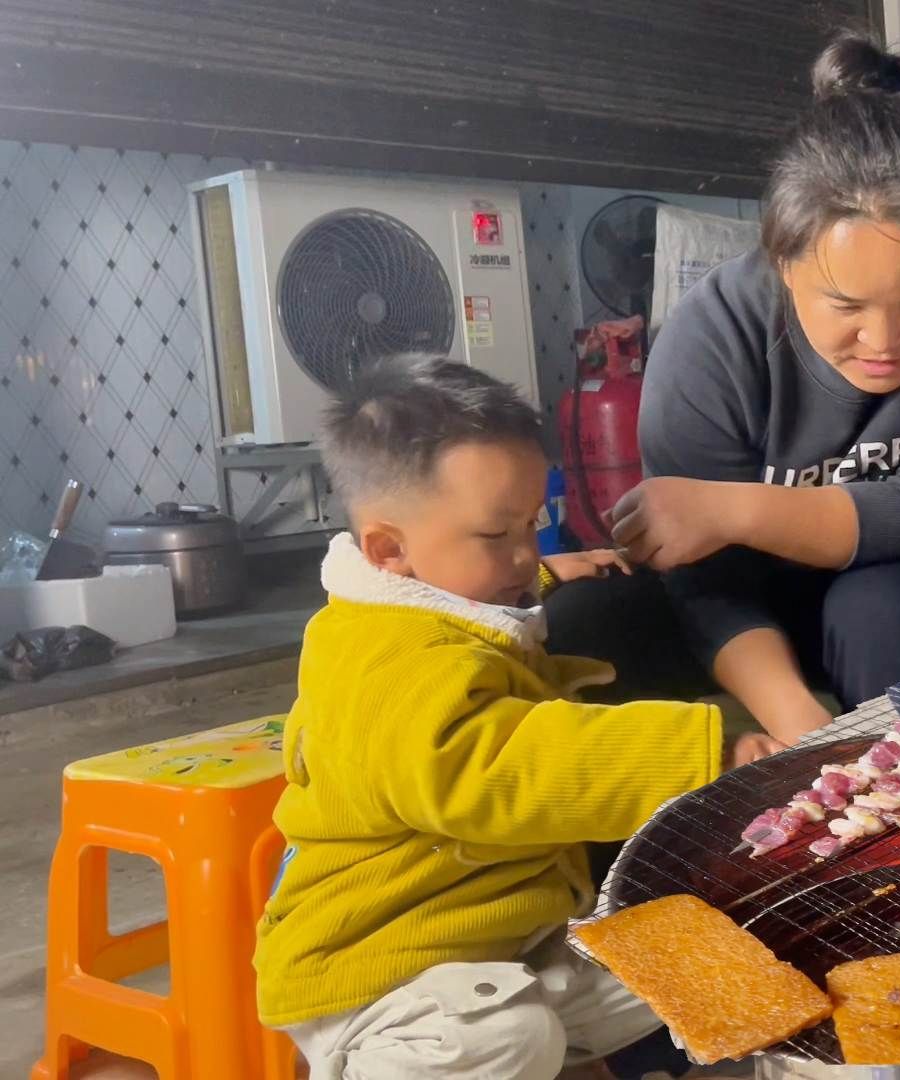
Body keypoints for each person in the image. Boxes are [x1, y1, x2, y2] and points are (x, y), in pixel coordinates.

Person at [254, 359, 773, 1079]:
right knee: (505, 1040)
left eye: (534, 522)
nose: (527, 554)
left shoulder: (431, 592)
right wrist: (701, 753)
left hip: (504, 943)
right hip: (383, 975)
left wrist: (560, 567)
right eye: (497, 535)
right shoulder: (380, 656)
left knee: (703, 959)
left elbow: (486, 600)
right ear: (388, 550)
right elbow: (497, 762)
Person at [544, 32, 900, 749]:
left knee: (877, 608)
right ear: (784, 264)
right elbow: (704, 573)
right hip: (744, 596)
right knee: (580, 628)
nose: (882, 343)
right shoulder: (713, 335)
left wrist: (730, 508)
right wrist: (796, 723)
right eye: (846, 307)